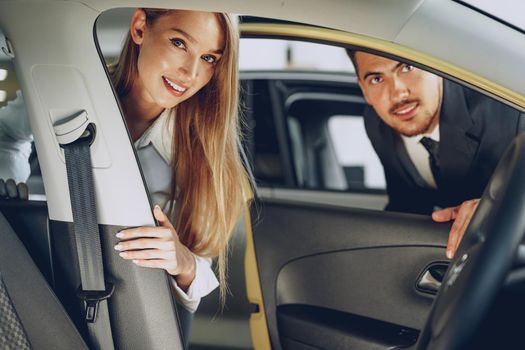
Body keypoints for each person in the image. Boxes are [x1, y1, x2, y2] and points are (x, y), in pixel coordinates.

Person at [0, 8, 251, 340]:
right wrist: (7, 189)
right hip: (48, 287)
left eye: (209, 58)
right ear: (139, 28)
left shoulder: (208, 151)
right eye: (179, 43)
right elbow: (8, 135)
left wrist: (184, 261)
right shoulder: (69, 90)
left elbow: (199, 270)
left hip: (141, 316)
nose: (190, 72)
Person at [347, 49, 525, 258]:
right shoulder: (377, 124)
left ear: (436, 66)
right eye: (376, 79)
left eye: (407, 67)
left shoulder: (507, 114)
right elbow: (407, 203)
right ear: (364, 90)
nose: (397, 94)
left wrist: (499, 208)